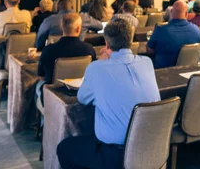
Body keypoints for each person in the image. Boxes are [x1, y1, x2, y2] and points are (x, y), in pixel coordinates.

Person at [57, 17, 160, 169]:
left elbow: (83, 98)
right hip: (150, 147)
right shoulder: (147, 62)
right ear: (130, 40)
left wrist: (101, 61)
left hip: (115, 155)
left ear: (106, 43)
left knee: (64, 148)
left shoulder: (97, 68)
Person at [36, 13, 97, 104]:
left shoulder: (48, 50)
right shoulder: (89, 49)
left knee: (35, 86)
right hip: (80, 93)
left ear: (61, 27)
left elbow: (41, 76)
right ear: (78, 28)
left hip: (53, 95)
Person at [146, 0, 200, 68]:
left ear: (171, 12)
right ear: (186, 14)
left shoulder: (160, 30)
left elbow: (149, 50)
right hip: (190, 71)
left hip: (164, 73)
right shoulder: (197, 30)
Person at [36, 0, 103, 51]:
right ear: (72, 7)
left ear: (57, 9)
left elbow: (39, 43)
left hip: (54, 56)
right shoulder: (84, 18)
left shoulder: (48, 21)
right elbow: (100, 26)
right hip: (80, 53)